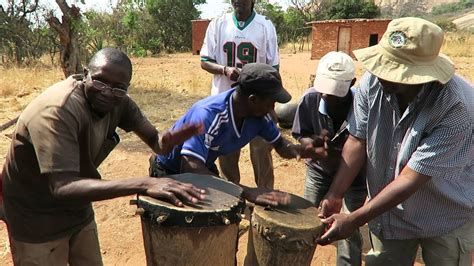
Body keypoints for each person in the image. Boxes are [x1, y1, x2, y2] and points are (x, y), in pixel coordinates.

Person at [2, 48, 206, 265]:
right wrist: (143, 183)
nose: (108, 92)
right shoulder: (58, 111)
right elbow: (61, 188)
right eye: (100, 81)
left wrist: (172, 138)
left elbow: (157, 142)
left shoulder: (120, 101)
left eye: (119, 88)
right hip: (35, 214)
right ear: (84, 73)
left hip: (78, 207)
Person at [316, 17, 474, 265]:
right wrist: (335, 194)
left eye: (393, 72)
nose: (382, 76)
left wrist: (356, 219)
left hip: (445, 215)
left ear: (422, 76)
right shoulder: (373, 82)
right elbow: (357, 139)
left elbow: (411, 178)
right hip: (390, 214)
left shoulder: (456, 106)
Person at [150, 63, 327, 206]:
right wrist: (247, 192)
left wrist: (301, 150)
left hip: (202, 168)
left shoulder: (258, 116)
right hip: (170, 171)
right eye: (271, 102)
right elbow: (190, 168)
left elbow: (281, 145)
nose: (273, 108)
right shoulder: (209, 115)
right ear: (253, 100)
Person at [292, 51, 367, 266]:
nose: (326, 96)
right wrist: (312, 144)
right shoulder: (310, 99)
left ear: (352, 82)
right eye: (323, 89)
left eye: (334, 92)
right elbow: (300, 133)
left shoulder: (363, 105)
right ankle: (297, 260)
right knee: (307, 219)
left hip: (356, 176)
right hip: (319, 170)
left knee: (348, 226)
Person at [200, 0, 279, 189]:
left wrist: (271, 106)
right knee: (226, 158)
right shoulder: (218, 24)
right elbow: (204, 61)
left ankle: (265, 200)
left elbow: (274, 69)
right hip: (226, 105)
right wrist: (224, 69)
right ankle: (232, 201)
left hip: (257, 105)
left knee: (261, 152)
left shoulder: (265, 26)